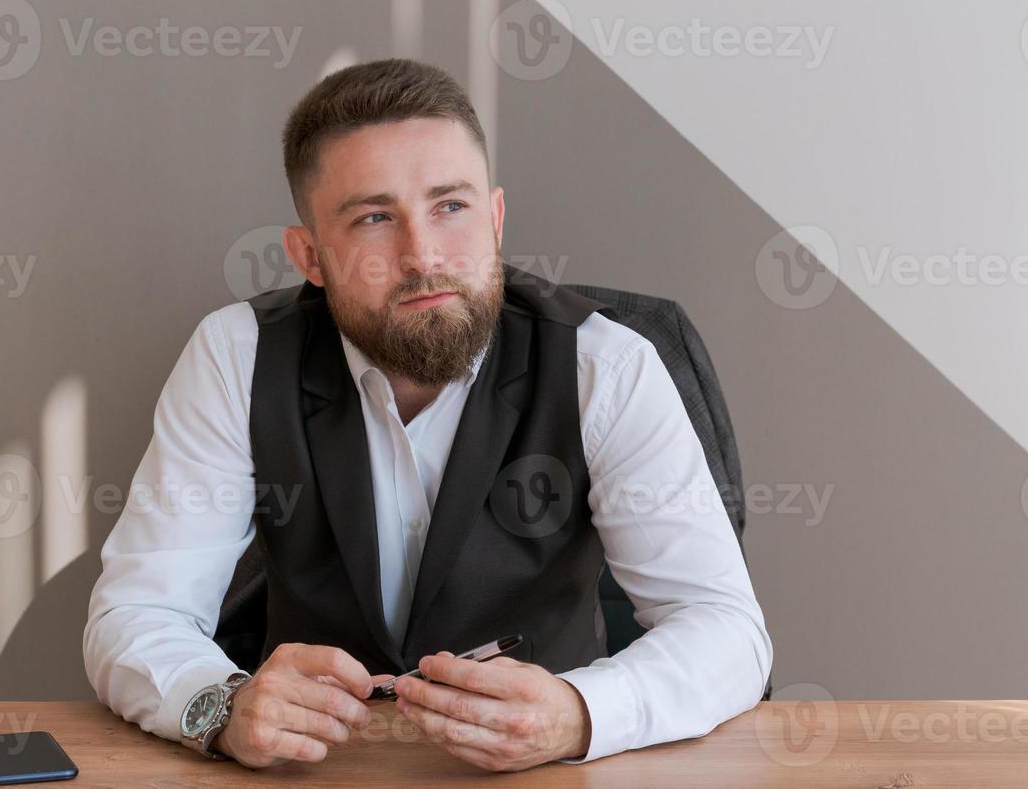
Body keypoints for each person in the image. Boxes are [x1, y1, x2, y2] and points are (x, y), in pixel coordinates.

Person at [83, 58, 772, 771]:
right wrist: (222, 707)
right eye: (375, 218)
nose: (423, 257)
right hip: (315, 772)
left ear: (496, 217)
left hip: (544, 776)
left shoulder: (607, 363)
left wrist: (579, 715)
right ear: (309, 255)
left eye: (451, 206)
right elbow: (137, 615)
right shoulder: (236, 356)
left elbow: (726, 631)